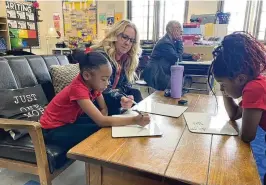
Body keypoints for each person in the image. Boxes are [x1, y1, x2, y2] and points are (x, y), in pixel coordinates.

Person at [40, 52, 150, 151]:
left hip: (69, 122)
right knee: (101, 130)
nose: (107, 84)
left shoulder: (92, 85)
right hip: (52, 129)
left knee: (104, 126)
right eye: (103, 79)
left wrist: (102, 120)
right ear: (87, 75)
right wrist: (134, 120)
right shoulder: (78, 89)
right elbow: (101, 121)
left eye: (108, 79)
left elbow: (103, 108)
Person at [208, 32, 266, 143]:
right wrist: (226, 92)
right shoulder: (254, 83)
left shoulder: (255, 88)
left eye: (223, 85)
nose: (221, 89)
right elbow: (234, 114)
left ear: (240, 79)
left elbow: (247, 136)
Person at [91, 20, 143, 115]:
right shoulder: (101, 56)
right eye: (124, 37)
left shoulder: (126, 58)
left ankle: (141, 119)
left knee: (136, 93)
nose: (127, 43)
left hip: (112, 98)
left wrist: (126, 97)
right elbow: (101, 88)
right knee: (118, 105)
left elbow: (125, 85)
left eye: (131, 40)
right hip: (96, 100)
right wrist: (120, 97)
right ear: (115, 35)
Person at [143, 20, 200, 90]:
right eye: (179, 29)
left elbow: (176, 54)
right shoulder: (165, 43)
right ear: (172, 30)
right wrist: (180, 41)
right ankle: (175, 98)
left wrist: (191, 56)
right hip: (156, 74)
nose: (181, 32)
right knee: (183, 81)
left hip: (162, 72)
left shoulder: (170, 41)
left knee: (186, 79)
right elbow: (177, 59)